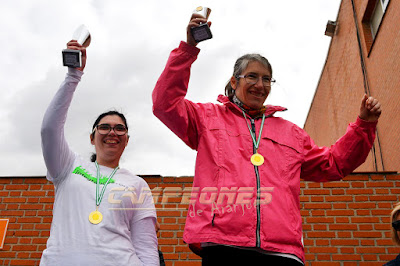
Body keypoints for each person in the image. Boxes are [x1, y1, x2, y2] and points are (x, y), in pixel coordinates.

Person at [152, 13, 382, 265]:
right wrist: (188, 48)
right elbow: (165, 104)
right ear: (234, 80)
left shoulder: (291, 133)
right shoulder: (207, 117)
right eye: (251, 76)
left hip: (282, 250)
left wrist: (363, 125)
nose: (259, 85)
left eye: (266, 79)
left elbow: (334, 164)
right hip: (224, 244)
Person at [40, 40, 159, 265]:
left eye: (120, 128)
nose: (112, 132)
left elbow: (146, 244)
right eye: (104, 127)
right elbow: (49, 129)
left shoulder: (137, 184)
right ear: (92, 137)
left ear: (127, 140)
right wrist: (73, 76)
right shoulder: (68, 166)